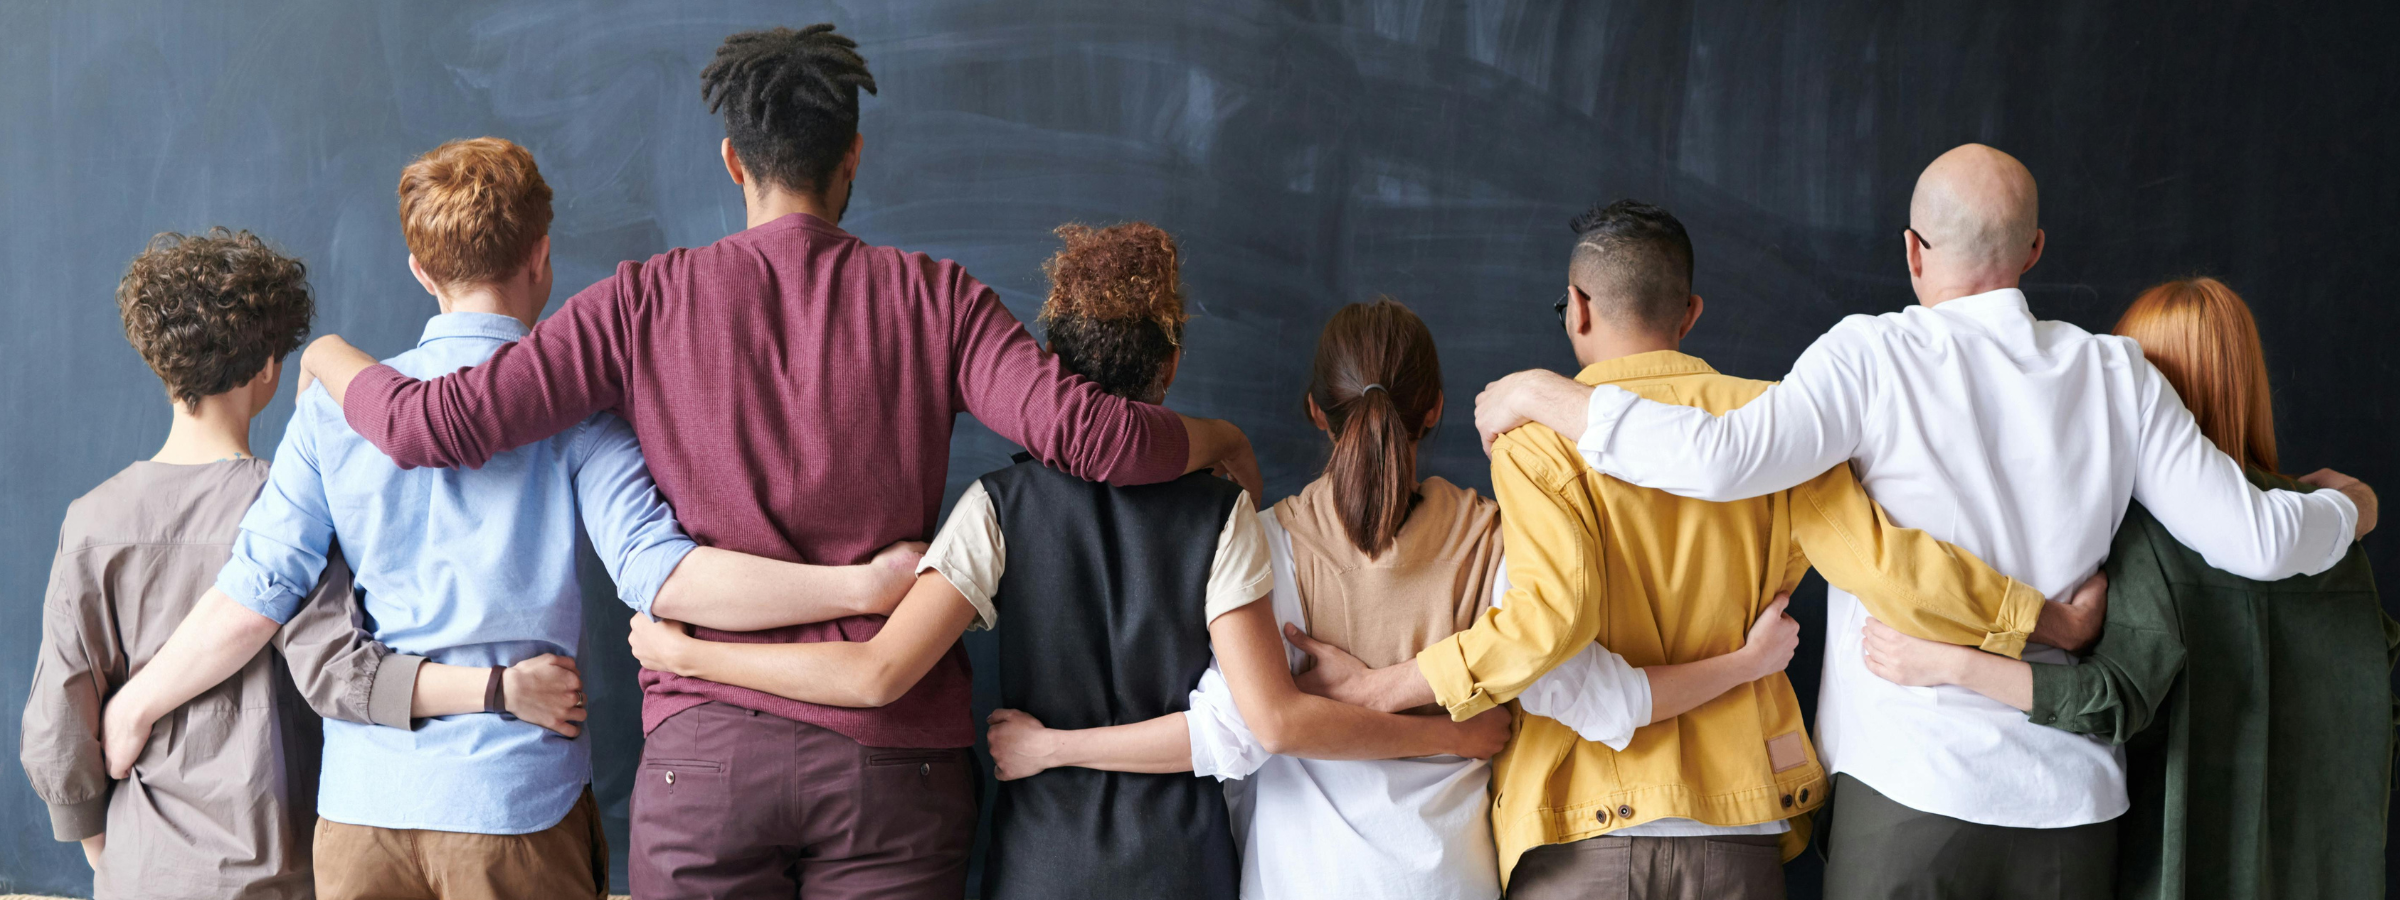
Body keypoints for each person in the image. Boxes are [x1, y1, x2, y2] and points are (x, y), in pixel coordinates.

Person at [291, 26, 1260, 898]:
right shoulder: (937, 298)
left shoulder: (641, 302)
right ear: (852, 160)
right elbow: (1094, 441)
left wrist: (329, 355)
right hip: (895, 769)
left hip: (704, 760)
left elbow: (431, 427)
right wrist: (1216, 438)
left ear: (731, 161)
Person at [1471, 147, 2377, 898]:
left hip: (1906, 795)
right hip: (2070, 805)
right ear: (2033, 251)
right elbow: (2259, 543)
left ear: (1913, 251)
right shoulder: (2119, 373)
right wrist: (2349, 505)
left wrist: (1542, 392)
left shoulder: (1870, 355)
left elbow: (1720, 460)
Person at [95, 139, 925, 900]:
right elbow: (661, 576)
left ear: (420, 270)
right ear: (543, 257)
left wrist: (136, 706)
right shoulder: (581, 417)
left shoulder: (331, 415)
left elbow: (255, 595)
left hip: (362, 818)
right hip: (514, 811)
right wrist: (861, 584)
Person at [625, 225, 1511, 900]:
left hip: (1043, 863)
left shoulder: (997, 509)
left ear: (1047, 364)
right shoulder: (1225, 515)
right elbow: (1255, 723)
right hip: (1181, 863)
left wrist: (690, 655)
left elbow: (877, 670)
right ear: (1171, 367)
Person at [1264, 201, 2094, 899]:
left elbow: (1544, 622)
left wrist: (1384, 689)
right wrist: (2038, 618)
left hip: (1581, 829)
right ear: (1691, 313)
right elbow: (1889, 566)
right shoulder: (1779, 425)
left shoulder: (1535, 443)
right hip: (1740, 821)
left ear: (1578, 308)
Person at [973, 296, 1797, 900]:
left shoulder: (1265, 538)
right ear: (1435, 409)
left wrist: (1054, 748)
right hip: (1452, 880)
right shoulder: (1496, 535)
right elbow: (1596, 699)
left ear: (1313, 414)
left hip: (1297, 882)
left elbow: (1230, 735)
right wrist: (1747, 663)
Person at [19, 228, 583, 899]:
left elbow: (60, 712)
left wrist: (100, 845)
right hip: (277, 866)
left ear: (161, 364)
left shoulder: (91, 519)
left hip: (138, 864)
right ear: (268, 367)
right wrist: (500, 689)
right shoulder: (287, 504)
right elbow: (341, 673)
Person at [1858, 276, 2393, 900]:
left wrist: (1950, 663)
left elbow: (2108, 701)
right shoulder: (2329, 534)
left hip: (2177, 863)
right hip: (2332, 865)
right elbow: (2380, 707)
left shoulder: (2142, 535)